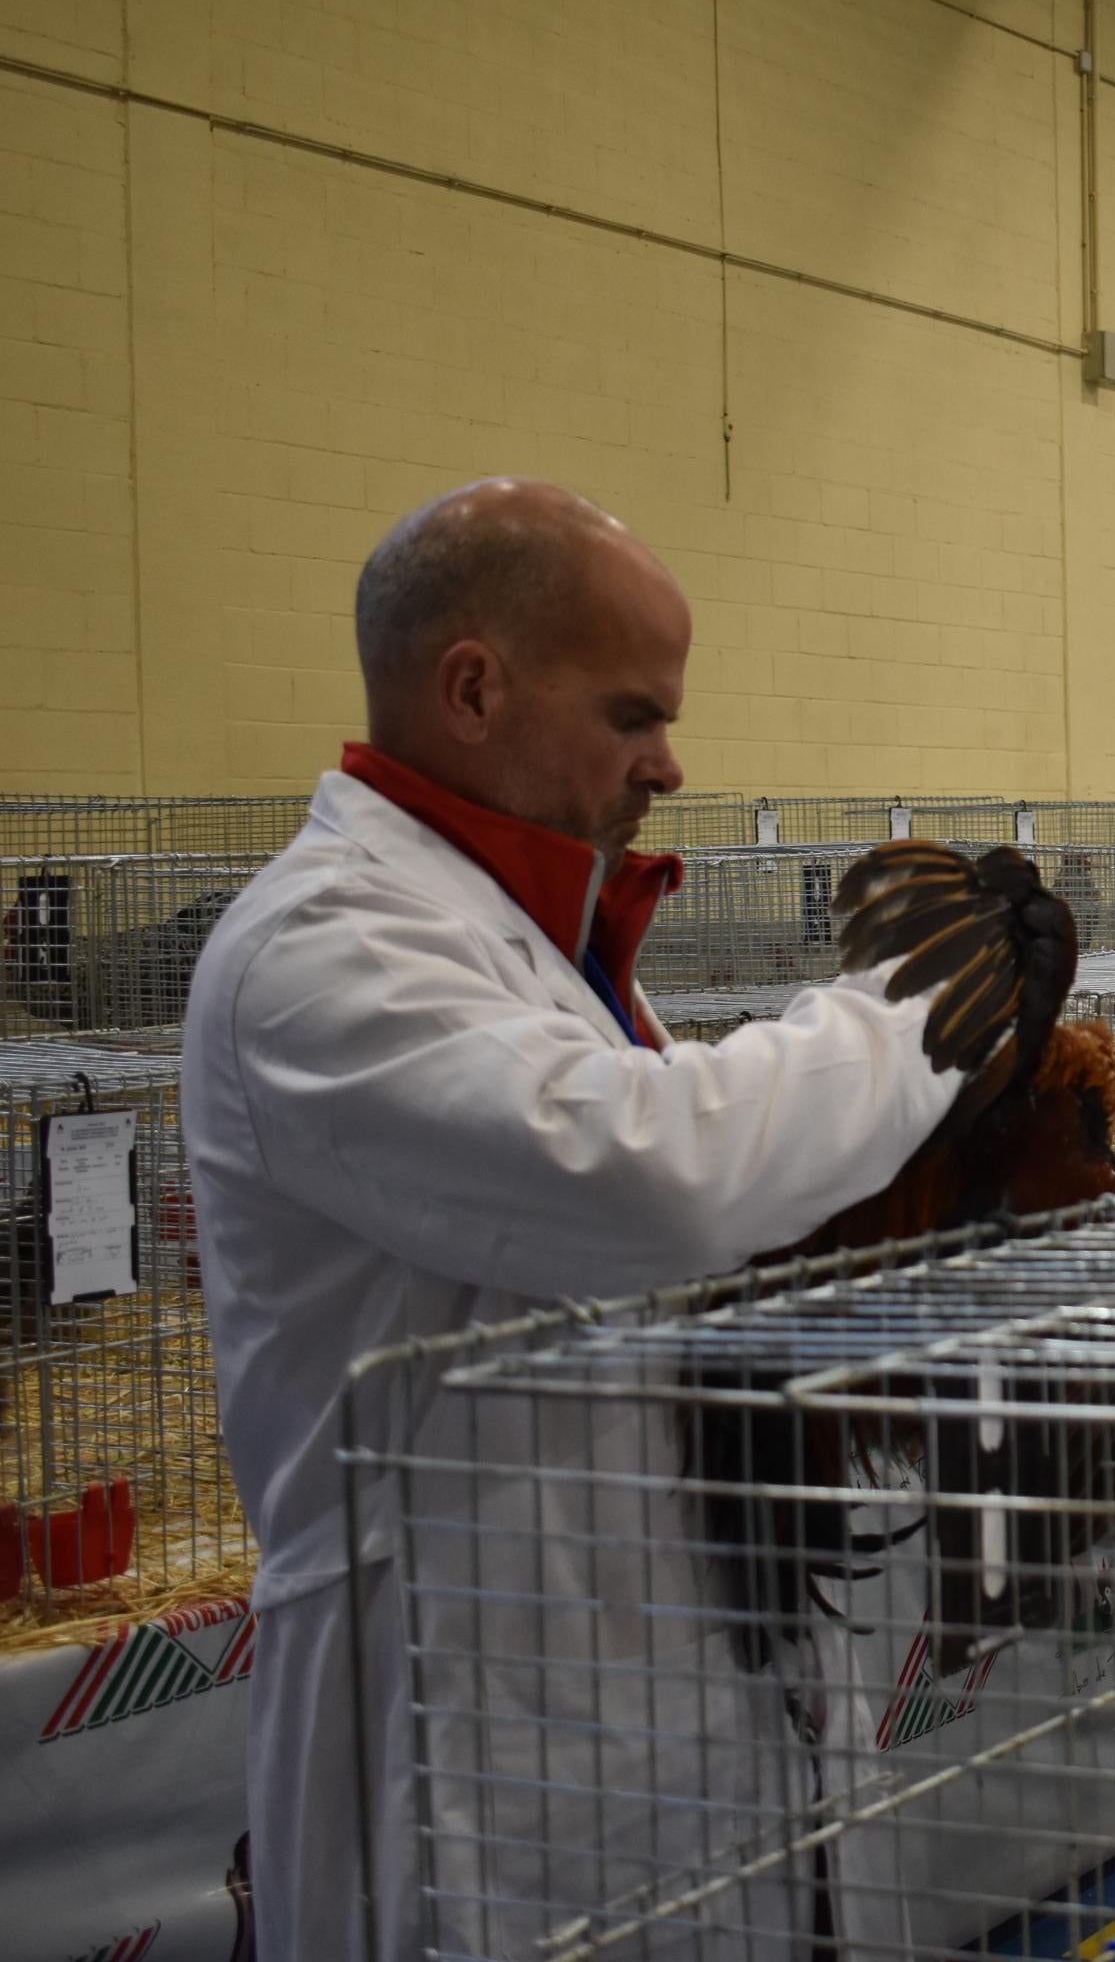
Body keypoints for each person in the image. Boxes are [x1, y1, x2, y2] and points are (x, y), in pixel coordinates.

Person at [182, 480, 968, 1960]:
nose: (668, 761)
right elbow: (654, 1178)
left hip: (633, 1660)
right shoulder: (323, 947)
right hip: (467, 1711)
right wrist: (917, 1004)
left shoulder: (531, 939)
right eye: (631, 714)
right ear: (472, 687)